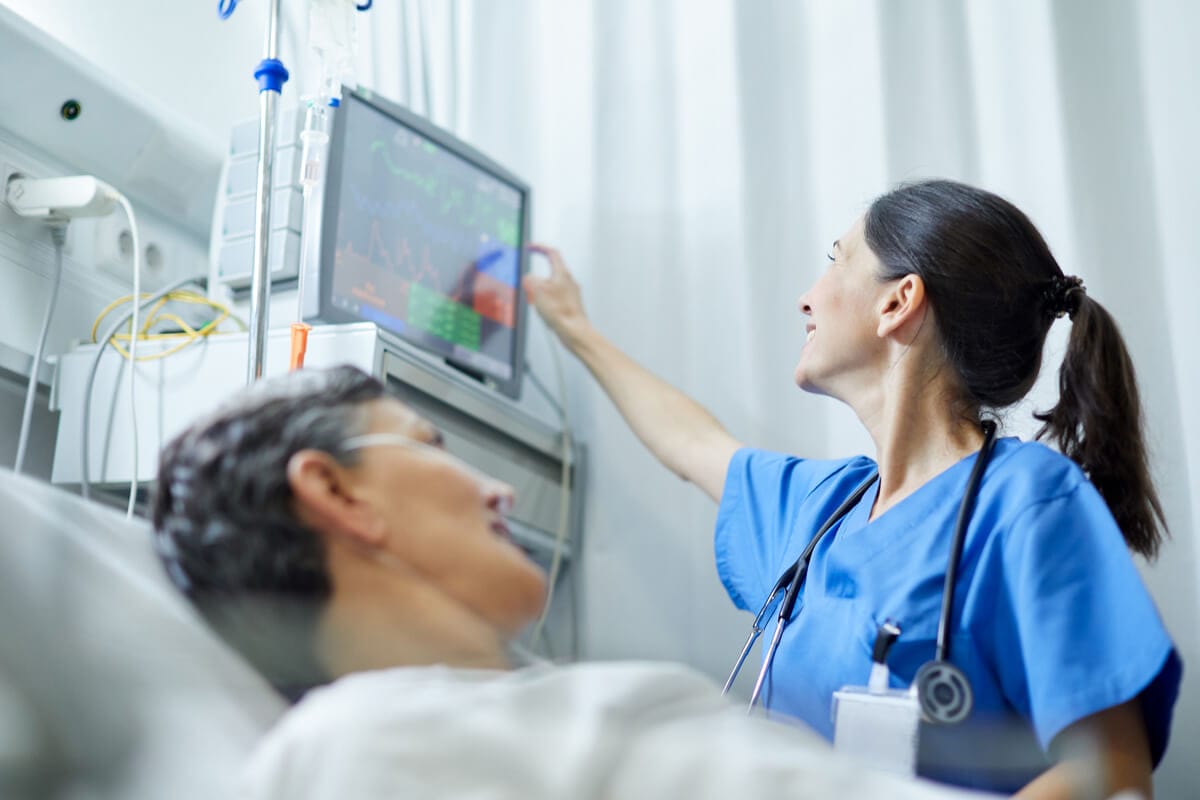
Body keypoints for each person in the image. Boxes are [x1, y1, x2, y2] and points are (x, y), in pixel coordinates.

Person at [523, 179, 1180, 798]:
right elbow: (692, 444)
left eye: (836, 262)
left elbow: (1111, 774)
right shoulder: (822, 510)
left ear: (898, 302)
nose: (807, 297)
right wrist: (575, 329)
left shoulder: (1026, 500)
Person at [151, 365, 980, 800]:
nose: (497, 488)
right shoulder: (363, 744)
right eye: (429, 444)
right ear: (336, 493)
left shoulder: (501, 713)